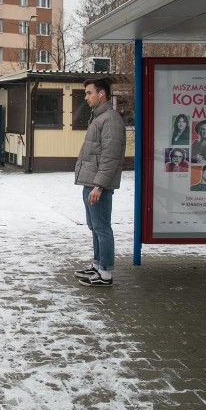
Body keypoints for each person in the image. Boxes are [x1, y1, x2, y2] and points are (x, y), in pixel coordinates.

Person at [73, 78, 126, 288]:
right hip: (91, 181)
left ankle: (105, 273)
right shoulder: (99, 118)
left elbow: (110, 157)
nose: (86, 97)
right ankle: (97, 264)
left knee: (102, 227)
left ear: (101, 94)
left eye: (89, 93)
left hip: (98, 184)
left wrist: (99, 186)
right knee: (94, 226)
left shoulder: (110, 120)